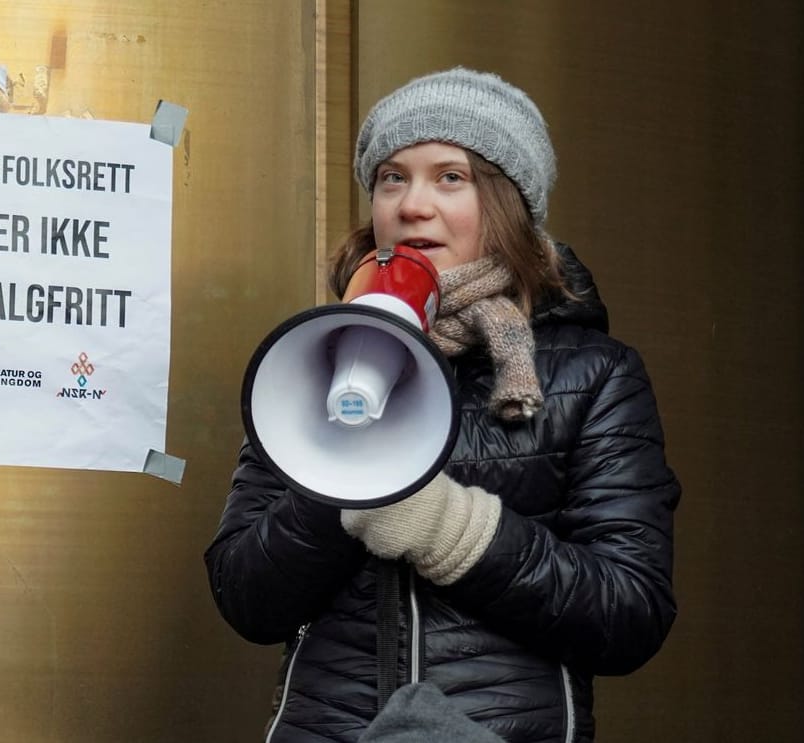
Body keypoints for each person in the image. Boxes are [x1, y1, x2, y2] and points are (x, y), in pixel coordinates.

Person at [204, 67, 680, 742]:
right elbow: (246, 595)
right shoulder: (314, 360)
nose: (412, 204)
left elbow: (630, 612)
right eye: (392, 177)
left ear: (509, 202)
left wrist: (452, 528)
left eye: (449, 177)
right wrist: (340, 477)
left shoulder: (593, 374)